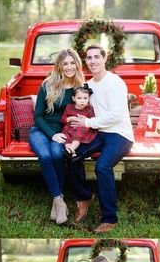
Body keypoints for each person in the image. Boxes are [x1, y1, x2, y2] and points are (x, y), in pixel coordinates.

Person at [68, 45, 134, 233]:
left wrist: (87, 122)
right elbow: (79, 105)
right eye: (89, 58)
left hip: (120, 134)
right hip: (98, 131)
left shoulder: (115, 82)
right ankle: (84, 197)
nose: (93, 61)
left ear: (105, 59)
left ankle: (109, 218)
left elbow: (115, 115)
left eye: (97, 57)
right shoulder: (89, 86)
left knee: (102, 166)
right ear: (86, 61)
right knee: (72, 155)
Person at [29, 48, 85, 225]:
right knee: (45, 155)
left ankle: (57, 202)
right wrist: (52, 135)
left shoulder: (80, 88)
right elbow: (37, 116)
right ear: (59, 66)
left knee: (57, 155)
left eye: (72, 63)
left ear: (77, 64)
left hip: (63, 133)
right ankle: (59, 201)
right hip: (41, 129)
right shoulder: (47, 84)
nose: (69, 67)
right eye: (65, 63)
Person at [60, 84, 97, 159]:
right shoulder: (69, 107)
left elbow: (92, 120)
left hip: (82, 129)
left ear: (88, 99)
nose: (82, 101)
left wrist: (86, 121)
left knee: (78, 134)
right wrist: (69, 118)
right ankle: (72, 153)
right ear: (74, 98)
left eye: (85, 98)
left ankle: (70, 149)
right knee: (66, 137)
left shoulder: (89, 109)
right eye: (79, 98)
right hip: (70, 128)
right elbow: (63, 119)